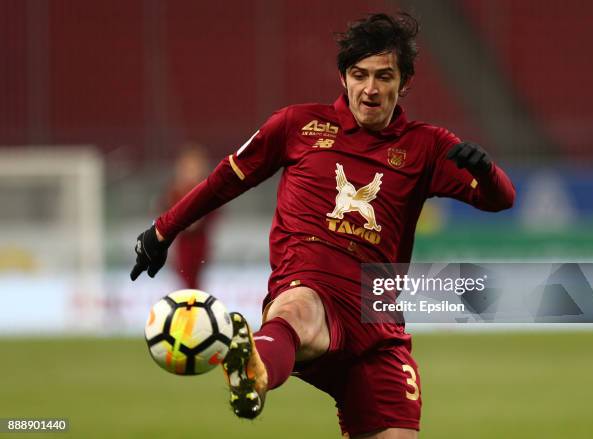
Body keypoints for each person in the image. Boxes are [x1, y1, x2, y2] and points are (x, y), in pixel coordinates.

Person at [130, 13, 515, 439]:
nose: (370, 89)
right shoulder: (297, 125)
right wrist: (164, 230)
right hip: (311, 282)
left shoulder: (428, 146)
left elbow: (500, 200)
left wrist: (489, 172)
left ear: (404, 82)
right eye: (359, 74)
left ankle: (260, 357)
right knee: (298, 310)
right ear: (343, 77)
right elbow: (225, 179)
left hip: (377, 320)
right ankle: (254, 367)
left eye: (383, 76)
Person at [162, 143, 216, 290]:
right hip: (183, 243)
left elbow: (214, 215)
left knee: (195, 277)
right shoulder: (175, 190)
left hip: (199, 241)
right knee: (184, 276)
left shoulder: (208, 189)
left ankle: (194, 305)